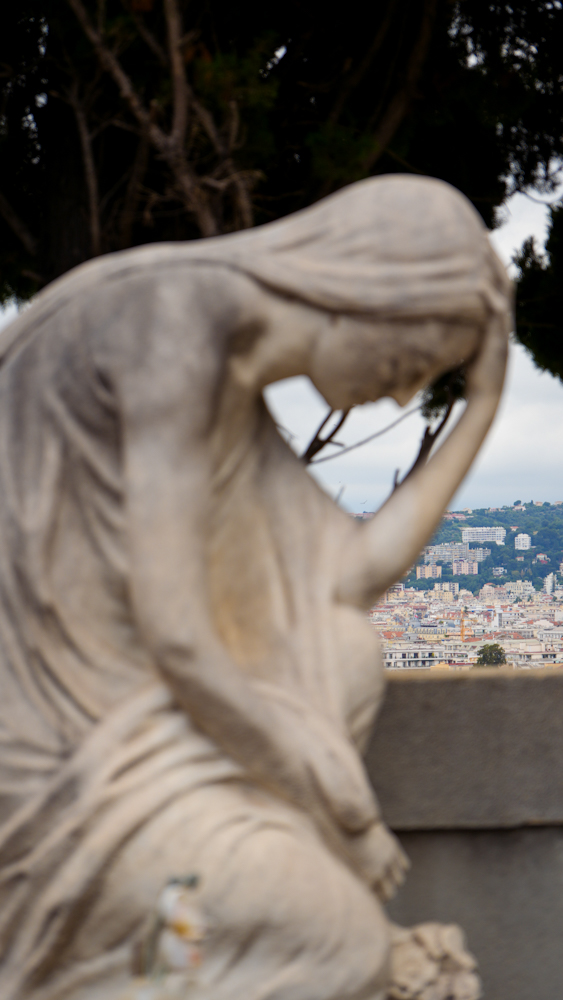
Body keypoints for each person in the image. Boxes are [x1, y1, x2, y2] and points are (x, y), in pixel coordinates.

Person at [0, 175, 510, 1000]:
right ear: (368, 290)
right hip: (65, 774)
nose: (405, 392)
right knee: (343, 948)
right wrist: (340, 804)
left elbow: (348, 578)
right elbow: (177, 637)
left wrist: (481, 406)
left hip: (154, 750)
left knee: (340, 647)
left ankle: (172, 959)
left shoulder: (230, 378)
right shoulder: (175, 327)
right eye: (411, 359)